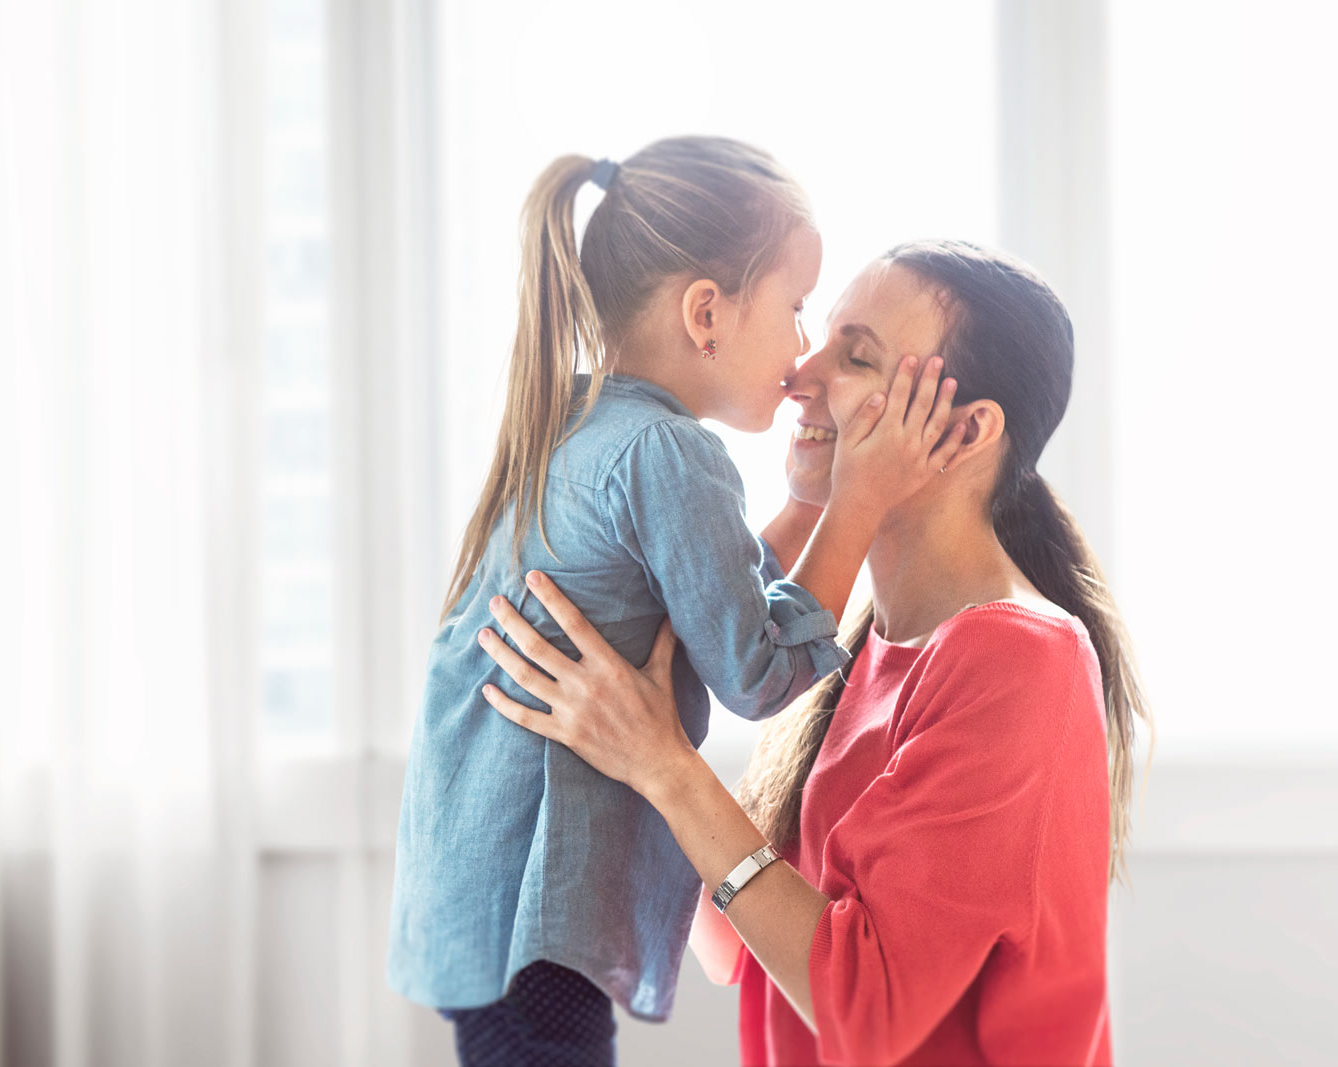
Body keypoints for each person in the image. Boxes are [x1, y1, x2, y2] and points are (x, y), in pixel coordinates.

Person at [477, 240, 1155, 1066]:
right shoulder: (860, 641)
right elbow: (731, 939)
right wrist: (630, 717)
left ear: (969, 429)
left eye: (856, 354)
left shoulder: (1018, 661)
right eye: (822, 334)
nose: (800, 371)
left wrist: (663, 765)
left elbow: (864, 1013)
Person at [385, 138, 970, 1067]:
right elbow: (757, 666)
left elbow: (711, 600)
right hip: (543, 905)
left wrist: (806, 506)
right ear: (707, 312)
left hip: (478, 893)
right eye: (794, 309)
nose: (798, 352)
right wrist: (857, 502)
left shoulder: (577, 422)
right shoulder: (672, 454)